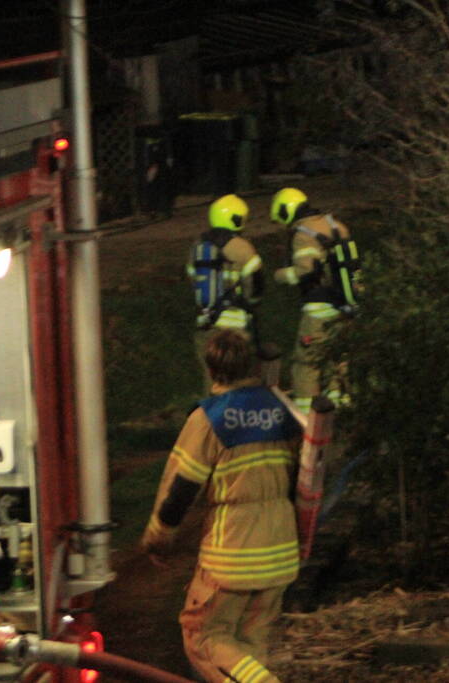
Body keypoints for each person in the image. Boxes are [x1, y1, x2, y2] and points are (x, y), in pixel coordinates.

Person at [139, 329, 301, 683]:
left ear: (212, 369)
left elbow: (181, 489)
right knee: (249, 644)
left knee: (203, 635)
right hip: (282, 549)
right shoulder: (282, 409)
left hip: (234, 553)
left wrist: (158, 537)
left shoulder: (209, 418)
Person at [270, 187, 355, 413]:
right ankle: (342, 414)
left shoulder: (303, 234)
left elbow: (306, 269)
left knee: (306, 364)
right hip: (346, 306)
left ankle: (306, 420)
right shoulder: (337, 226)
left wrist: (281, 275)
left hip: (319, 308)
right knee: (337, 361)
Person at [188, 194, 264, 394]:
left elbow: (192, 279)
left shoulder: (198, 247)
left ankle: (211, 420)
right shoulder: (243, 248)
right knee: (238, 379)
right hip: (235, 328)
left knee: (211, 380)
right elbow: (256, 287)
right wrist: (251, 304)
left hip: (207, 323)